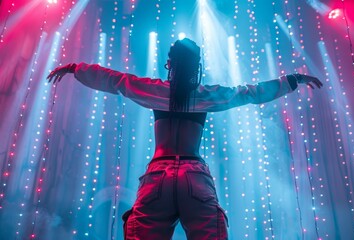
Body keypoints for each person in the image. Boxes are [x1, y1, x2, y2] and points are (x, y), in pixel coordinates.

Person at [47, 38, 322, 240]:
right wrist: (292, 79)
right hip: (193, 175)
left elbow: (116, 80)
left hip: (158, 175)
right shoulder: (205, 94)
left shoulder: (155, 90)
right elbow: (249, 93)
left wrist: (76, 68)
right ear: (197, 66)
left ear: (170, 64)